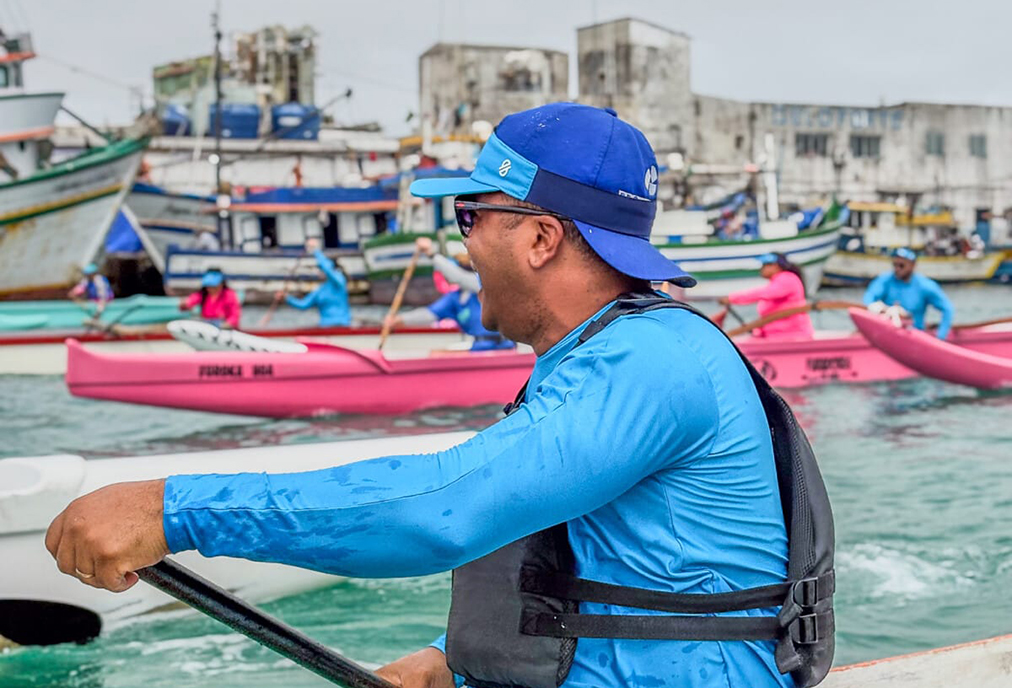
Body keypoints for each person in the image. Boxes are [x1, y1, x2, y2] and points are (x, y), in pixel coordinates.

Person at [45, 104, 834, 688]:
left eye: (470, 215)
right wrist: (456, 662)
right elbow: (619, 574)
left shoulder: (653, 361)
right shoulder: (604, 357)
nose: (463, 243)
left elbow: (442, 512)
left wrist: (173, 509)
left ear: (540, 237)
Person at [384, 236, 514, 351]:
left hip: (503, 349)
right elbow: (429, 314)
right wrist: (399, 320)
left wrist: (431, 254)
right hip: (478, 350)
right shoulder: (454, 299)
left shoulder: (483, 283)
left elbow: (458, 277)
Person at [864, 247, 955, 339]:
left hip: (915, 336)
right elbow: (869, 298)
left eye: (901, 265)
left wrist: (941, 337)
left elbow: (947, 309)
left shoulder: (925, 286)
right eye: (895, 265)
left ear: (912, 265)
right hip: (888, 333)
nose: (897, 268)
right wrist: (878, 308)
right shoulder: (885, 280)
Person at [719, 253, 814, 338]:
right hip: (776, 335)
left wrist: (732, 298)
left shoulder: (787, 279)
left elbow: (762, 294)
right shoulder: (778, 281)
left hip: (792, 335)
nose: (761, 269)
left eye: (766, 265)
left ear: (777, 266)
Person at [278, 238, 351, 327]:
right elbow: (303, 305)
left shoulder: (339, 281)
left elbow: (328, 270)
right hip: (325, 326)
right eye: (319, 269)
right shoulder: (319, 291)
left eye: (321, 269)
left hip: (342, 326)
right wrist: (287, 298)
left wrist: (315, 250)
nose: (319, 272)